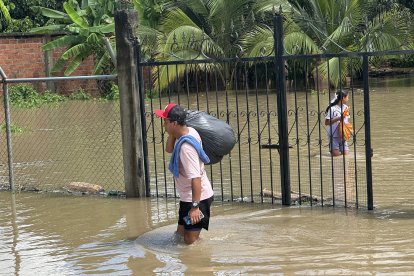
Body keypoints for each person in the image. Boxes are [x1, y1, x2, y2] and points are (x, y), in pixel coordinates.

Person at [154, 103, 214, 245]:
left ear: (174, 123)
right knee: (179, 236)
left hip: (198, 199)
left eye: (165, 121)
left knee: (190, 241)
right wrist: (172, 133)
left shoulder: (186, 148)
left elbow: (196, 179)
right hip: (187, 198)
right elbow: (169, 149)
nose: (163, 125)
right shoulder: (188, 132)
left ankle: (200, 264)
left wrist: (195, 207)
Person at [325, 89, 351, 156]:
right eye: (347, 97)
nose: (348, 99)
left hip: (343, 134)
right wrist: (338, 119)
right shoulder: (332, 108)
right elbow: (326, 122)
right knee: (336, 157)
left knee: (346, 156)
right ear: (343, 98)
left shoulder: (346, 108)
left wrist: (347, 131)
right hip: (333, 135)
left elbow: (346, 121)